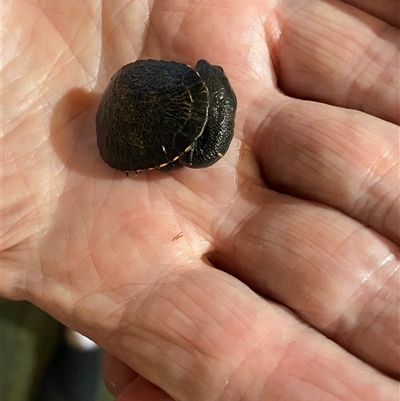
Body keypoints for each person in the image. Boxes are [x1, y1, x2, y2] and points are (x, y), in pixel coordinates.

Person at [1, 1, 399, 400]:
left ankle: (78, 344)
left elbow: (207, 81)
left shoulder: (195, 119)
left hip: (136, 92)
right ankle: (80, 346)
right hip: (133, 101)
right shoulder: (196, 143)